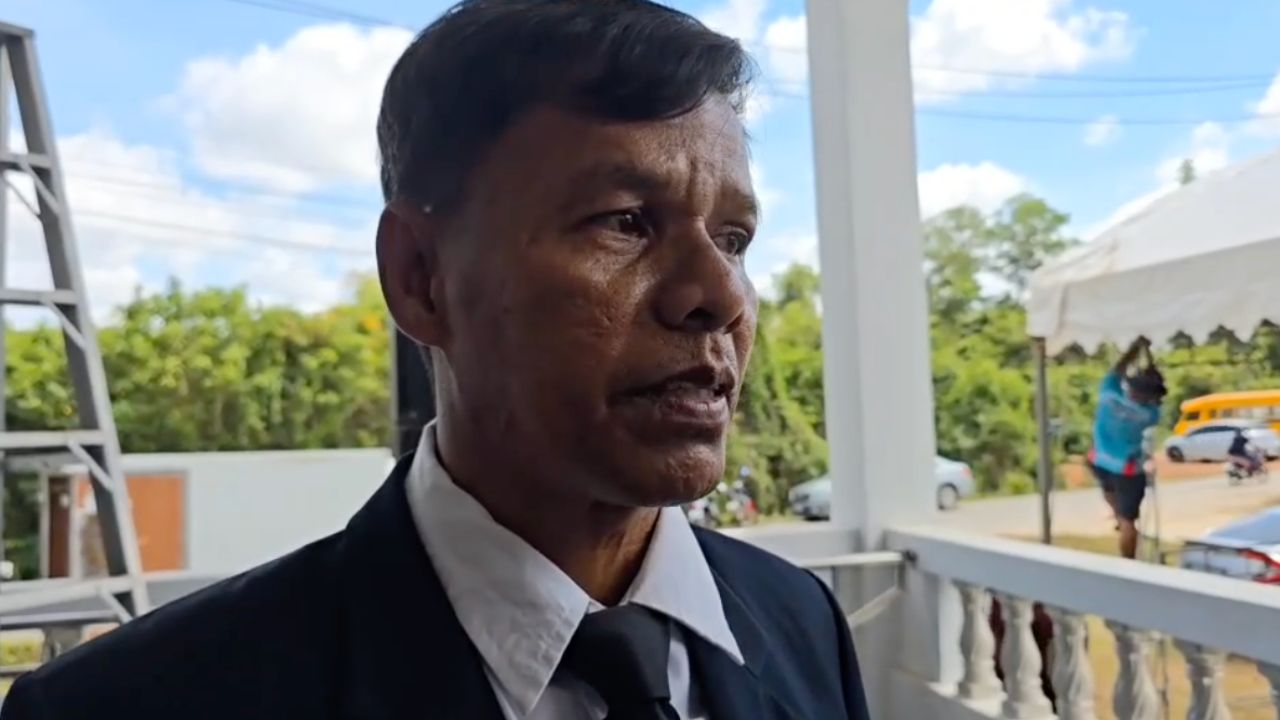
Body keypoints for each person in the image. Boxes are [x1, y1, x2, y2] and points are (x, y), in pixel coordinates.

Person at [0, 2, 870, 719]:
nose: (718, 296)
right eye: (625, 222)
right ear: (420, 278)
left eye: (734, 238)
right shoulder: (128, 704)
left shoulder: (802, 625)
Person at [1089, 339, 1165, 559]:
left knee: (1108, 491)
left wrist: (1136, 348)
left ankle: (1118, 517)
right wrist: (1149, 356)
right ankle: (1128, 557)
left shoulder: (1108, 395)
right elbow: (1156, 389)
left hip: (1100, 459)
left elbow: (1118, 368)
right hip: (1127, 468)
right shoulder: (1150, 415)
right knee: (1128, 522)